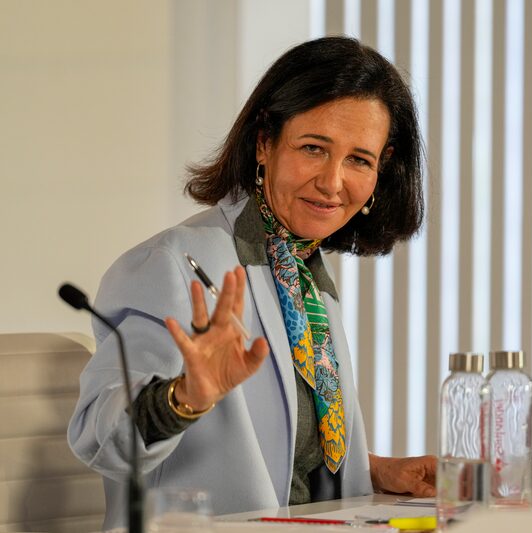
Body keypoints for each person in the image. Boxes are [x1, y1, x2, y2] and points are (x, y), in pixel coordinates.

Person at [67, 36, 436, 530]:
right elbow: (99, 436)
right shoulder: (173, 264)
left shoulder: (309, 280)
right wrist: (183, 397)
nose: (332, 182)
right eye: (313, 148)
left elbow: (283, 453)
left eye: (359, 160)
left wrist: (375, 470)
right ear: (264, 142)